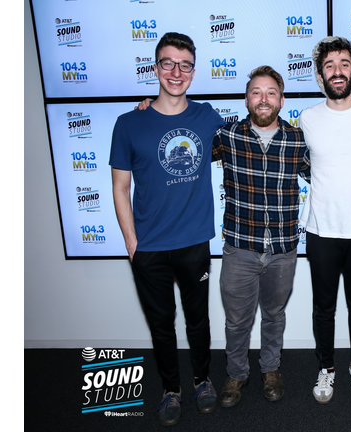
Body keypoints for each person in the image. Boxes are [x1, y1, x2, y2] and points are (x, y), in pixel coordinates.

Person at [110, 32, 225, 427]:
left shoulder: (208, 118)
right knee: (161, 324)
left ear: (194, 70)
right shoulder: (129, 123)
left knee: (198, 319)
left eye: (185, 64)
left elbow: (251, 136)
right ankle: (171, 389)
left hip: (194, 242)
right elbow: (120, 187)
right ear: (155, 67)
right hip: (150, 248)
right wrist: (131, 243)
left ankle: (202, 380)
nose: (176, 72)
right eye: (167, 63)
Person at [212, 66, 310, 408]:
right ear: (246, 98)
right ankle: (236, 374)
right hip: (240, 247)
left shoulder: (297, 139)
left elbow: (330, 173)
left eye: (271, 92)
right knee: (237, 320)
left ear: (281, 100)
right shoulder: (225, 136)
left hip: (283, 249)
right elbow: (185, 139)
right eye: (256, 92)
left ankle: (270, 369)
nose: (263, 99)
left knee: (274, 315)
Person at [300, 36, 351, 403]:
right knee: (323, 307)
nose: (338, 71)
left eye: (344, 64)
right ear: (321, 74)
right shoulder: (306, 118)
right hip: (320, 229)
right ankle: (326, 368)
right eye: (330, 65)